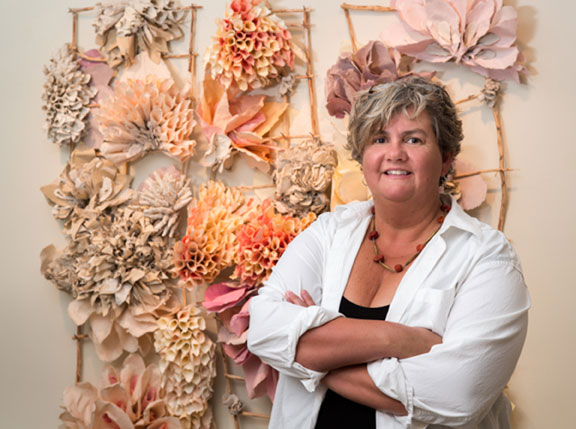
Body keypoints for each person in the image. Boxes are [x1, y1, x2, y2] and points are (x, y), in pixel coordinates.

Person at [247, 77, 530, 429]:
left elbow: (460, 394)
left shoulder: (487, 258)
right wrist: (400, 339)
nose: (395, 153)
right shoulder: (329, 233)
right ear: (363, 158)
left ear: (444, 160)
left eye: (413, 139)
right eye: (380, 139)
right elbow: (263, 330)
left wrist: (311, 354)